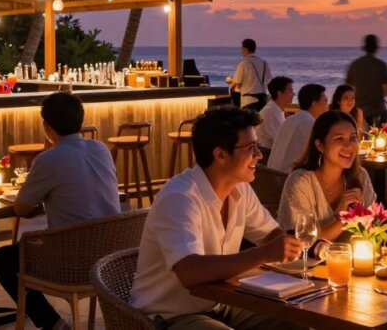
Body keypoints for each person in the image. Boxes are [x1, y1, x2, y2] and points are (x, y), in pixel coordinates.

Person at [130, 106, 304, 329]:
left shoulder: (240, 189)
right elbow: (190, 272)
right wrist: (264, 253)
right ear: (220, 154)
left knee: (296, 321)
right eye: (251, 148)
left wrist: (295, 246)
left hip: (222, 304)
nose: (259, 155)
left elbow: (271, 235)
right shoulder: (180, 198)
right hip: (168, 316)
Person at [0, 92, 120, 330]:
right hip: (110, 255)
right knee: (17, 254)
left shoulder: (48, 159)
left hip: (70, 261)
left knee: (3, 258)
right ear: (80, 121)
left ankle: (52, 323)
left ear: (47, 126)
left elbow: (21, 208)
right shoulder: (100, 149)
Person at [277, 111, 375, 240]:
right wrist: (341, 217)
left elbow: (372, 230)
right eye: (339, 139)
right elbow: (302, 242)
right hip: (308, 259)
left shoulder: (360, 176)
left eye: (353, 138)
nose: (348, 146)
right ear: (320, 145)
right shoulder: (301, 182)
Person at [266, 84, 328, 173]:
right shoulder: (310, 124)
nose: (327, 104)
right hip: (287, 178)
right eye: (325, 100)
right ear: (314, 104)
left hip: (271, 173)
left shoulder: (290, 119)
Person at [344, 34, 387, 126]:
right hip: (378, 111)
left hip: (359, 112)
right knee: (383, 136)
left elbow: (346, 89)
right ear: (376, 48)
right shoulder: (380, 65)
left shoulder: (355, 65)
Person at [226, 39, 272, 111]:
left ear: (245, 49)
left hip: (249, 100)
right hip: (263, 99)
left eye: (242, 49)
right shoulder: (264, 63)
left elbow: (237, 82)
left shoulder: (244, 63)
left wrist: (230, 81)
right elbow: (268, 80)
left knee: (248, 121)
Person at [256, 76, 293, 157]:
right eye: (290, 90)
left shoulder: (276, 109)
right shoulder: (270, 112)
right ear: (279, 93)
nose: (293, 94)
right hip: (267, 155)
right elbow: (280, 140)